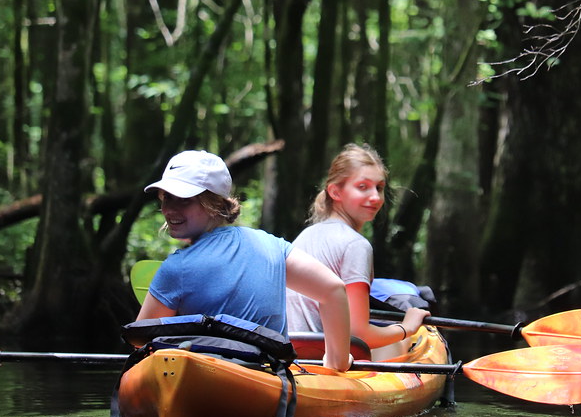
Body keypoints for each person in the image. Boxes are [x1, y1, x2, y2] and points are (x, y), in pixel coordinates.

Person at [135, 149, 352, 372]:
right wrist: (337, 362)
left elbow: (139, 340)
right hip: (273, 381)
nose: (169, 209)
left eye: (183, 200)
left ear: (213, 203)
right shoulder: (271, 246)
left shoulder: (176, 268)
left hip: (208, 383)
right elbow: (334, 290)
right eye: (166, 197)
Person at [286, 144, 430, 351]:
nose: (375, 197)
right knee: (415, 340)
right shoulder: (355, 245)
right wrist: (407, 327)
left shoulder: (307, 234)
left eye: (379, 188)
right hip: (321, 358)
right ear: (335, 192)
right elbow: (358, 334)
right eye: (363, 187)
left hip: (290, 352)